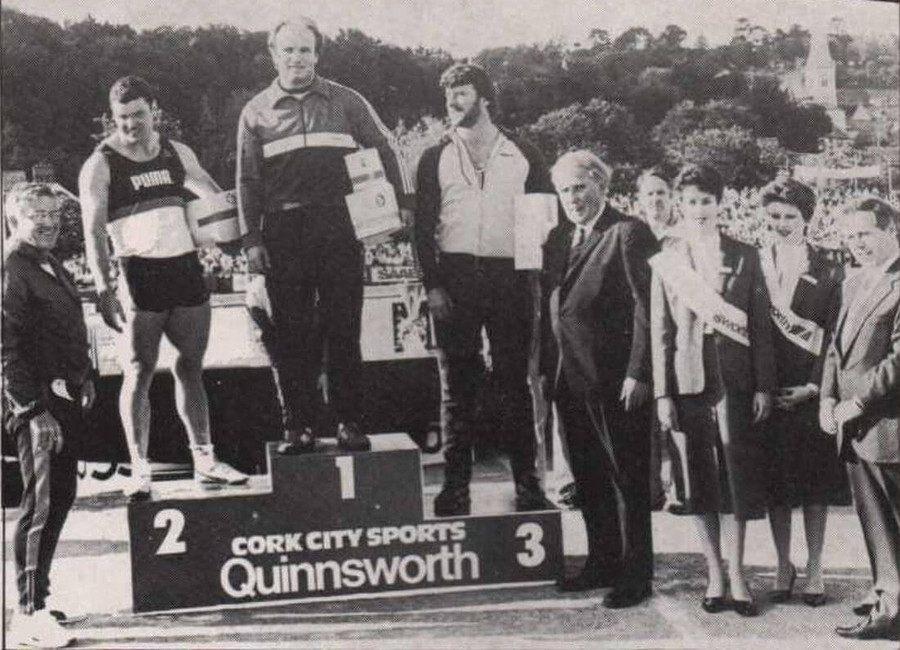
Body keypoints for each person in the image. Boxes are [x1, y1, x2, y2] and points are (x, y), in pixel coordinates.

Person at [236, 16, 414, 454]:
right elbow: (246, 180)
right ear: (274, 54)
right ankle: (298, 426)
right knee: (291, 332)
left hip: (339, 226)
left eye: (305, 50)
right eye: (288, 50)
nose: (297, 59)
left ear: (317, 54)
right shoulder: (256, 110)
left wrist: (404, 203)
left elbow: (388, 148)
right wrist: (251, 240)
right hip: (283, 231)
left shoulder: (347, 101)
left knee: (343, 328)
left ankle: (349, 422)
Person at [79, 75, 247, 500]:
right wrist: (103, 286)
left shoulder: (177, 151)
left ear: (153, 109)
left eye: (137, 115)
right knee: (138, 370)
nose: (130, 125)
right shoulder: (101, 162)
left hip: (185, 269)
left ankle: (205, 459)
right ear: (111, 119)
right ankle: (139, 467)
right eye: (121, 118)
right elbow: (93, 230)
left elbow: (210, 192)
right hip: (139, 274)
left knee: (191, 366)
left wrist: (230, 235)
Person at [413, 63, 555, 516]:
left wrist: (532, 284)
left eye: (462, 92)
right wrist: (433, 284)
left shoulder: (524, 152)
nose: (453, 101)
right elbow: (422, 229)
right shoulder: (434, 156)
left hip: (510, 276)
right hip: (454, 276)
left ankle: (528, 484)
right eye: (448, 94)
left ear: (485, 97)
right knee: (457, 385)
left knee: (514, 383)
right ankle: (456, 488)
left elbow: (542, 226)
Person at [651, 164, 775, 617]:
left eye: (706, 200)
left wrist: (764, 384)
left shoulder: (745, 254)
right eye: (691, 202)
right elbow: (660, 329)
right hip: (688, 381)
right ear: (679, 207)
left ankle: (739, 573)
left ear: (720, 203)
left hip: (735, 381)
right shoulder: (666, 257)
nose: (699, 209)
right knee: (697, 479)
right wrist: (663, 393)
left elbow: (760, 326)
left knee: (735, 479)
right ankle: (714, 573)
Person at [542, 150, 657, 608]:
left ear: (601, 187)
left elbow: (649, 309)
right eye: (564, 190)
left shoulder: (629, 233)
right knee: (587, 475)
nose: (572, 198)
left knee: (627, 477)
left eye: (579, 188)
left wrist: (639, 371)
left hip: (616, 379)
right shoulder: (558, 238)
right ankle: (602, 560)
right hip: (569, 377)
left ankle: (635, 574)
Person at [3, 184, 94, 648]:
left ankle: (40, 595)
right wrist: (33, 410)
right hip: (37, 405)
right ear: (13, 218)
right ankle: (27, 615)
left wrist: (84, 377)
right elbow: (5, 347)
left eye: (54, 213)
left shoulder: (48, 261)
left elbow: (65, 327)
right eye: (36, 214)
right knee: (39, 508)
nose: (47, 222)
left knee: (59, 498)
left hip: (63, 399)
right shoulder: (11, 267)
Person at [757, 178, 850, 607]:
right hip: (769, 390)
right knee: (775, 485)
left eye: (790, 217)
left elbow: (834, 334)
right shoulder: (753, 262)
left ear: (805, 219)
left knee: (814, 487)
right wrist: (763, 385)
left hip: (810, 389)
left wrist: (815, 386)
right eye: (774, 215)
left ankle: (814, 567)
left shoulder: (830, 267)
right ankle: (781, 563)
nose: (780, 223)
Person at [820, 197, 899, 641]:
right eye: (850, 236)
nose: (857, 244)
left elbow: (898, 358)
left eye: (865, 233)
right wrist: (827, 399)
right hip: (854, 426)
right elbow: (836, 349)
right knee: (875, 521)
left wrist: (859, 402)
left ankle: (892, 610)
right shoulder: (852, 283)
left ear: (890, 228)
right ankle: (887, 597)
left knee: (893, 521)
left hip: (887, 423)